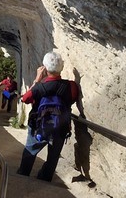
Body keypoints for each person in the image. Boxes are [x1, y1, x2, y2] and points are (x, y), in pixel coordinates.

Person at [17, 51, 84, 182]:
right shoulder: (71, 86)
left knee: (30, 151)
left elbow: (25, 98)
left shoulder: (39, 87)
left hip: (39, 127)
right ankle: (45, 177)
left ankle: (23, 173)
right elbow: (73, 98)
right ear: (62, 67)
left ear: (45, 69)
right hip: (60, 126)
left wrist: (37, 79)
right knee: (53, 156)